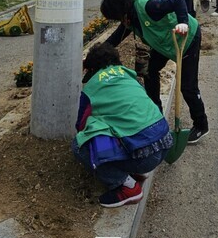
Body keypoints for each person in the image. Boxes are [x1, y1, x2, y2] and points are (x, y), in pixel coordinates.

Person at [101, 0, 209, 144]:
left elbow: (179, 2)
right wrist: (93, 56)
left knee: (187, 87)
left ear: (122, 10)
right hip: (166, 43)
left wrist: (183, 23)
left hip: (187, 39)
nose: (119, 21)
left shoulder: (148, 7)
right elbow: (114, 40)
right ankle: (156, 111)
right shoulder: (130, 18)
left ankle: (201, 124)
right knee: (149, 71)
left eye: (117, 17)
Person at [72, 42, 173, 208]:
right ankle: (131, 171)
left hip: (144, 155)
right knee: (122, 126)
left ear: (90, 69)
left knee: (80, 145)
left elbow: (81, 126)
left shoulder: (92, 87)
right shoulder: (128, 76)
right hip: (164, 142)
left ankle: (127, 187)